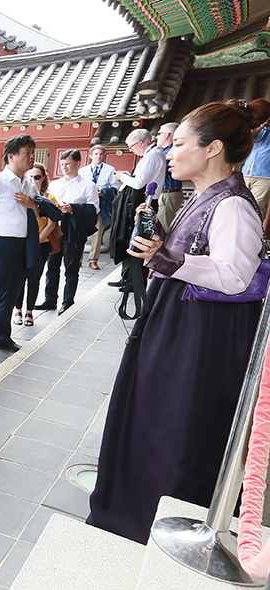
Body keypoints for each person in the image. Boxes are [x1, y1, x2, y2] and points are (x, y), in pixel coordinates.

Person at [88, 98, 270, 544]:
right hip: (180, 322)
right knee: (155, 415)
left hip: (200, 337)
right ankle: (135, 505)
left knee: (179, 424)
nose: (168, 151)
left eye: (179, 142)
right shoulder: (205, 197)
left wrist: (167, 257)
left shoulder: (233, 205)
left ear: (212, 149)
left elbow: (235, 275)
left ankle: (165, 514)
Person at [0, 135, 41, 354]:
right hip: (0, 244)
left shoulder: (29, 181)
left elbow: (37, 209)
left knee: (11, 295)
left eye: (33, 152)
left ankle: (3, 337)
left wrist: (33, 204)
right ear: (11, 156)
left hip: (23, 245)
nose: (32, 157)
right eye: (27, 152)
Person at [38, 150, 99, 314]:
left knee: (71, 268)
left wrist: (74, 208)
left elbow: (94, 209)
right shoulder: (55, 185)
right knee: (52, 267)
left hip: (73, 230)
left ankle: (68, 301)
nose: (64, 167)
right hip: (54, 229)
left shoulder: (88, 185)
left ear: (78, 164)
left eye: (68, 164)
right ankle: (50, 299)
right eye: (62, 164)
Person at [110, 129, 168, 290]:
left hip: (145, 203)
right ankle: (126, 278)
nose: (131, 150)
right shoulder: (149, 155)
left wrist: (122, 177)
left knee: (138, 241)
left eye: (132, 146)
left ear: (141, 143)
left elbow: (138, 183)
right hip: (138, 202)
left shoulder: (153, 155)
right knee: (129, 239)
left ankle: (135, 282)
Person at [16, 163, 56, 323]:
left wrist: (35, 241)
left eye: (37, 177)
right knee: (19, 277)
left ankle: (29, 311)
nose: (34, 180)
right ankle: (17, 310)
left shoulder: (49, 198)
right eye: (30, 177)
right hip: (20, 243)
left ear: (43, 178)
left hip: (42, 243)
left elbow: (51, 223)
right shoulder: (20, 196)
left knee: (34, 278)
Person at [80, 145, 119, 271]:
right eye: (96, 154)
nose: (98, 156)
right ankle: (78, 259)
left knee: (98, 231)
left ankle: (93, 259)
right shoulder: (83, 171)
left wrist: (103, 192)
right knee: (81, 231)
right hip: (86, 203)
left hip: (101, 203)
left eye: (101, 154)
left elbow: (115, 188)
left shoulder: (109, 169)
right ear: (91, 155)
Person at [242, 106, 270, 224]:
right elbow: (245, 137)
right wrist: (261, 126)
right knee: (240, 205)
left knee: (256, 209)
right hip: (245, 173)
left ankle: (252, 237)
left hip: (265, 177)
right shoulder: (255, 131)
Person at [156, 122, 184, 232]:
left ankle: (165, 249)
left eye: (159, 133)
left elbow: (159, 172)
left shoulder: (170, 152)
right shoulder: (164, 151)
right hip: (166, 193)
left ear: (167, 135)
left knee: (163, 228)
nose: (157, 136)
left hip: (168, 194)